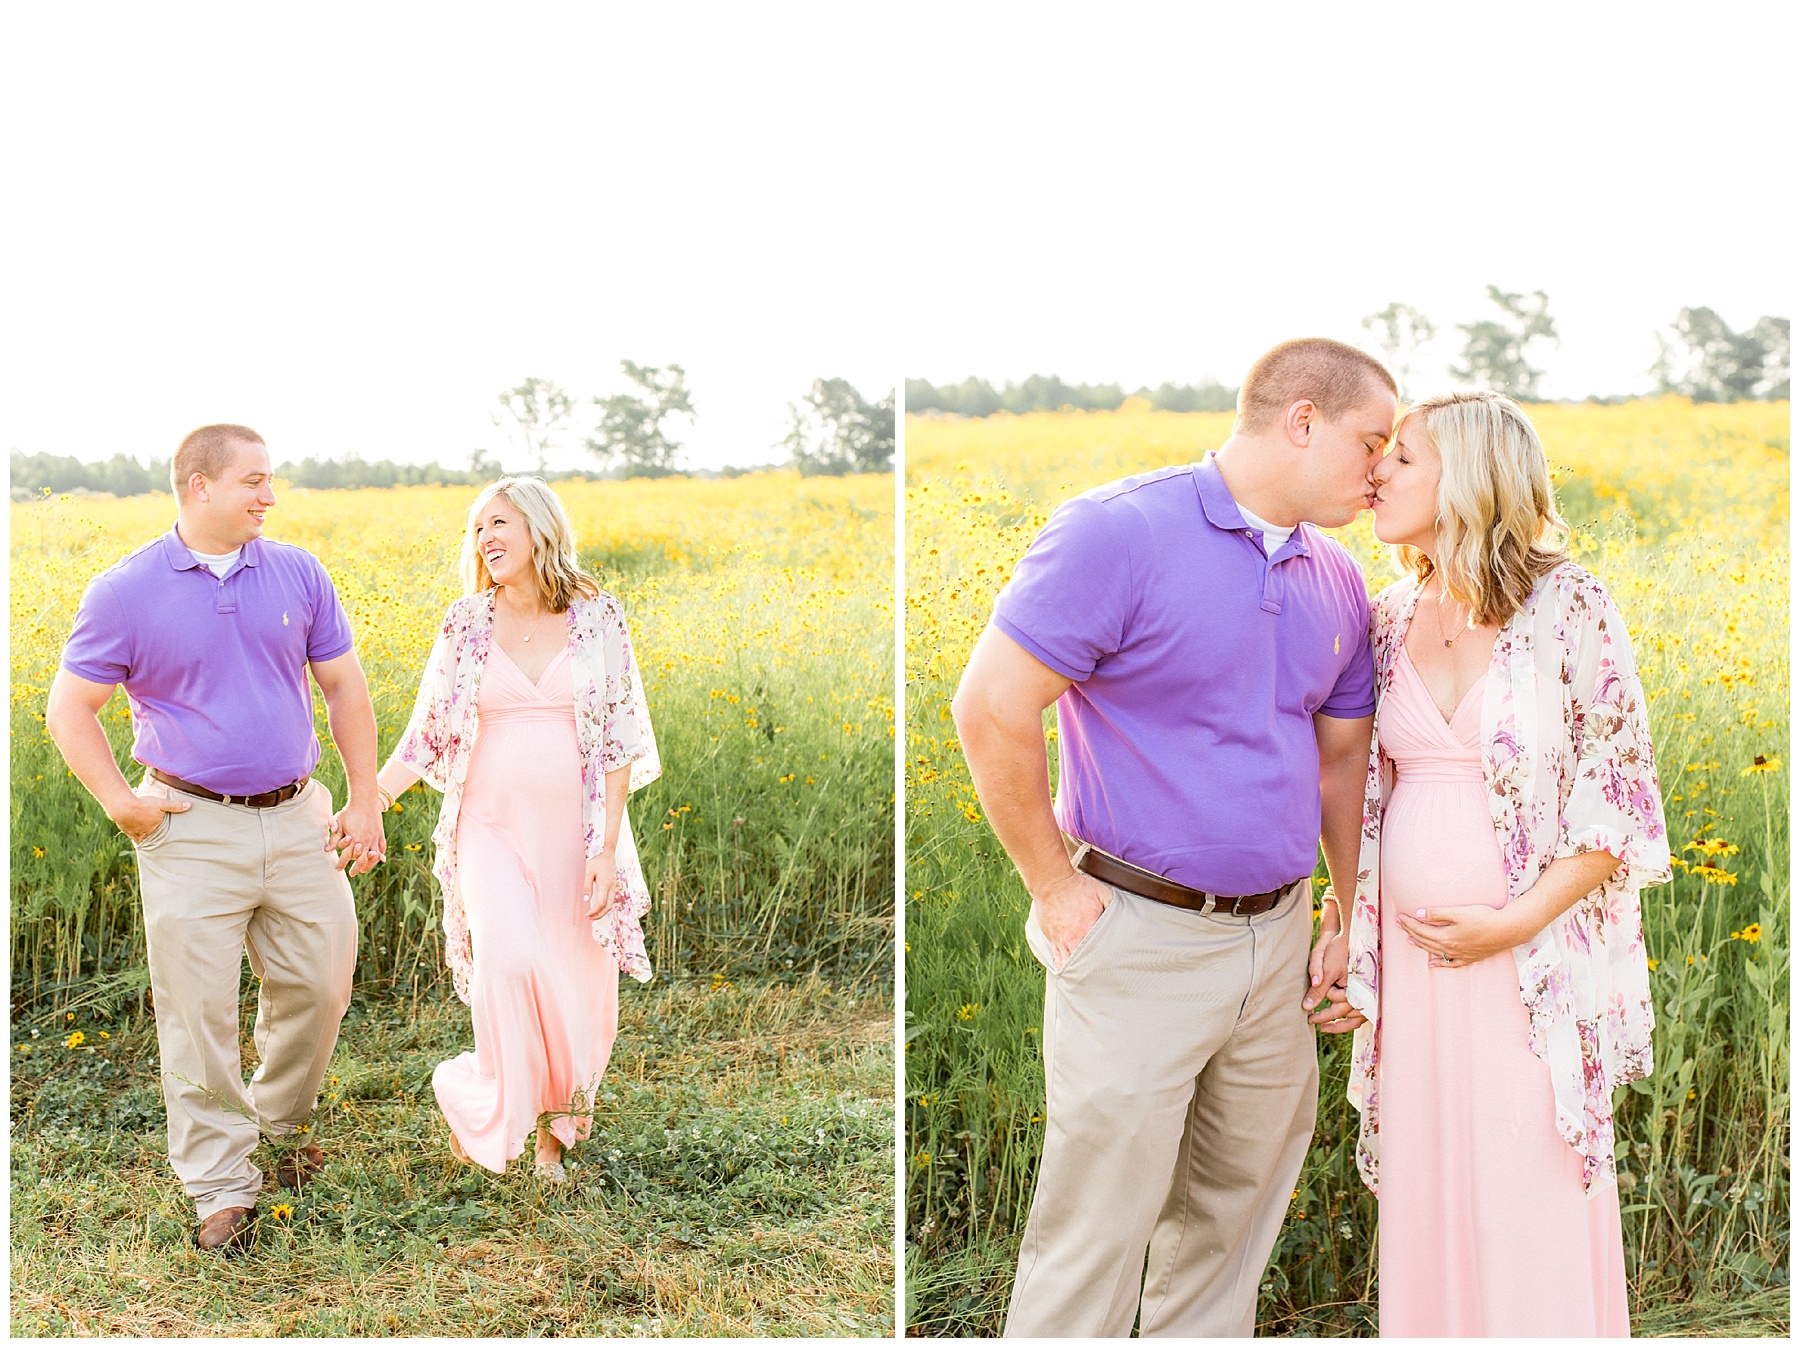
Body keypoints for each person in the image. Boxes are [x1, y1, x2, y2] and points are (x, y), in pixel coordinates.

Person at [952, 338, 1397, 1337]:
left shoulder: (1336, 578)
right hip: (1137, 937)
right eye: (1372, 440)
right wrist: (1056, 889)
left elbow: (1339, 763)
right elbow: (990, 708)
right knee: (1095, 1224)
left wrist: (1343, 905)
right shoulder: (1119, 532)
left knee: (1232, 1215)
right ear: (1301, 420)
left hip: (1277, 945)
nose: (1382, 467)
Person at [1332, 390, 1669, 1336]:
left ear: (1469, 475)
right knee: (1431, 1180)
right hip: (1417, 967)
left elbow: (1621, 800)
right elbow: (1362, 792)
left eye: (1401, 458)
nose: (1377, 474)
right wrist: (1342, 927)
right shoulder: (1388, 613)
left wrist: (1513, 924)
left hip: (1530, 959)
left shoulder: (1571, 605)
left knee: (1527, 1183)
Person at [45, 424, 387, 1253]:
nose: (269, 496)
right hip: (190, 826)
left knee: (321, 981)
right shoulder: (124, 591)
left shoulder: (299, 571)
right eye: (254, 481)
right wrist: (122, 803)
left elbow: (341, 685)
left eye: (270, 481)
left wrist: (367, 798)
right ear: (200, 486)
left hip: (300, 815)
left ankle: (280, 1122)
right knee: (197, 1013)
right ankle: (220, 1186)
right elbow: (70, 708)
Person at [376, 476, 660, 1182]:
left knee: (576, 984)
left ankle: (552, 1138)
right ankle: (487, 1100)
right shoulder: (466, 623)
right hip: (489, 826)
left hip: (578, 833)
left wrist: (605, 849)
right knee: (509, 964)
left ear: (538, 528)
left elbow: (620, 744)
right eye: (477, 529)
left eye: (498, 523)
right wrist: (370, 798)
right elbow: (428, 731)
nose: (486, 540)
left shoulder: (599, 620)